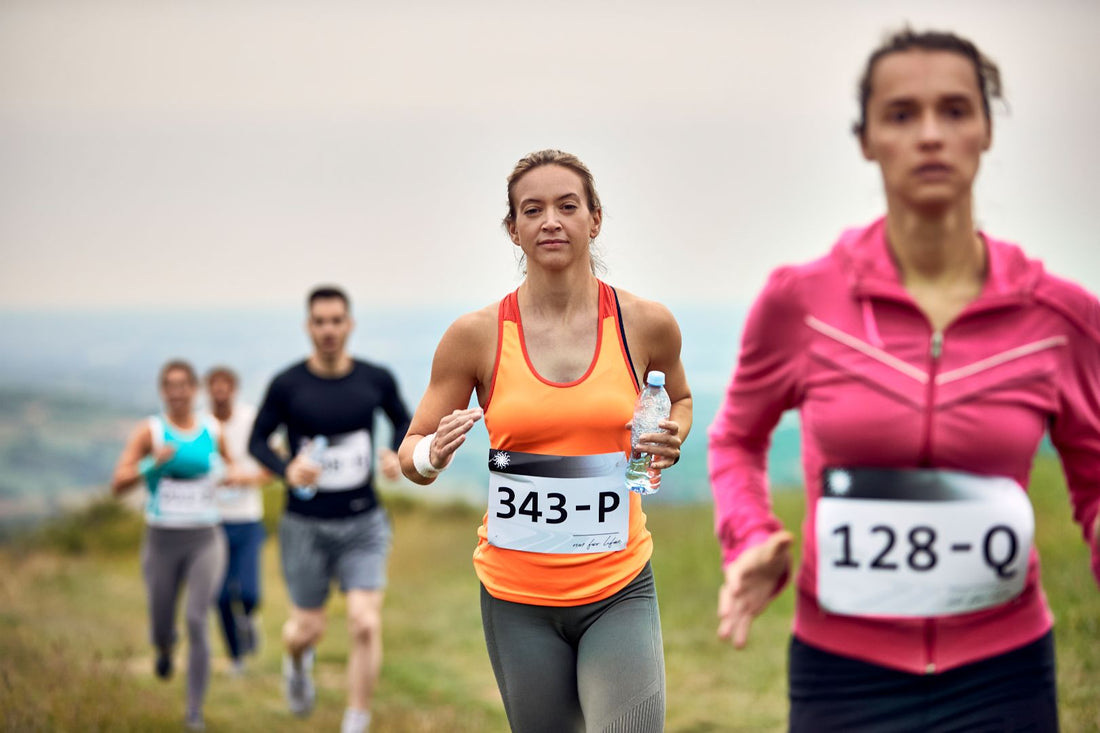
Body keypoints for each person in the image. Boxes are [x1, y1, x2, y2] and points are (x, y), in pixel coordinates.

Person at [708, 28, 1100, 732]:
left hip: (1005, 673)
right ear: (866, 140)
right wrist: (750, 534)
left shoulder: (1060, 317)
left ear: (985, 129)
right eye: (900, 114)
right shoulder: (801, 303)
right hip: (842, 672)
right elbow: (736, 437)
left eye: (954, 110)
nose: (929, 135)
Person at [398, 149, 692, 733]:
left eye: (567, 206)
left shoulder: (645, 323)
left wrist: (670, 435)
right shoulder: (476, 336)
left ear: (595, 219)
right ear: (514, 228)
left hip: (617, 585)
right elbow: (410, 451)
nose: (551, 220)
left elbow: (678, 400)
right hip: (517, 598)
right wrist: (432, 455)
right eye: (532, 210)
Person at [249, 285, 411, 733]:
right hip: (305, 527)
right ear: (308, 327)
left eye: (336, 320)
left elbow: (404, 420)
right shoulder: (288, 385)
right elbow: (256, 441)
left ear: (349, 325)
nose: (328, 330)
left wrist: (396, 452)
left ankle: (355, 719)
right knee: (307, 630)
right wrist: (287, 468)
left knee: (364, 622)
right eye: (319, 322)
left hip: (364, 521)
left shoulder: (374, 379)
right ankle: (297, 663)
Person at [111, 359, 231, 731]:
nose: (177, 392)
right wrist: (152, 464)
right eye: (170, 386)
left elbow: (228, 469)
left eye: (184, 385)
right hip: (162, 539)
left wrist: (228, 477)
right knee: (162, 622)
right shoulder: (151, 431)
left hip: (206, 538)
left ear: (194, 390)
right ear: (163, 391)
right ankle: (164, 647)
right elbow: (118, 484)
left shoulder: (213, 429)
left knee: (197, 618)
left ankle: (194, 710)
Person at [204, 365, 270, 674]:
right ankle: (235, 658)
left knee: (247, 592)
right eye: (214, 387)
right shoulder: (200, 424)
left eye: (224, 386)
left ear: (233, 389)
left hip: (246, 518)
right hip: (210, 521)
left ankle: (249, 620)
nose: (220, 392)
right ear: (208, 391)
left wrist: (243, 478)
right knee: (219, 596)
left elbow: (271, 467)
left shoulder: (250, 420)